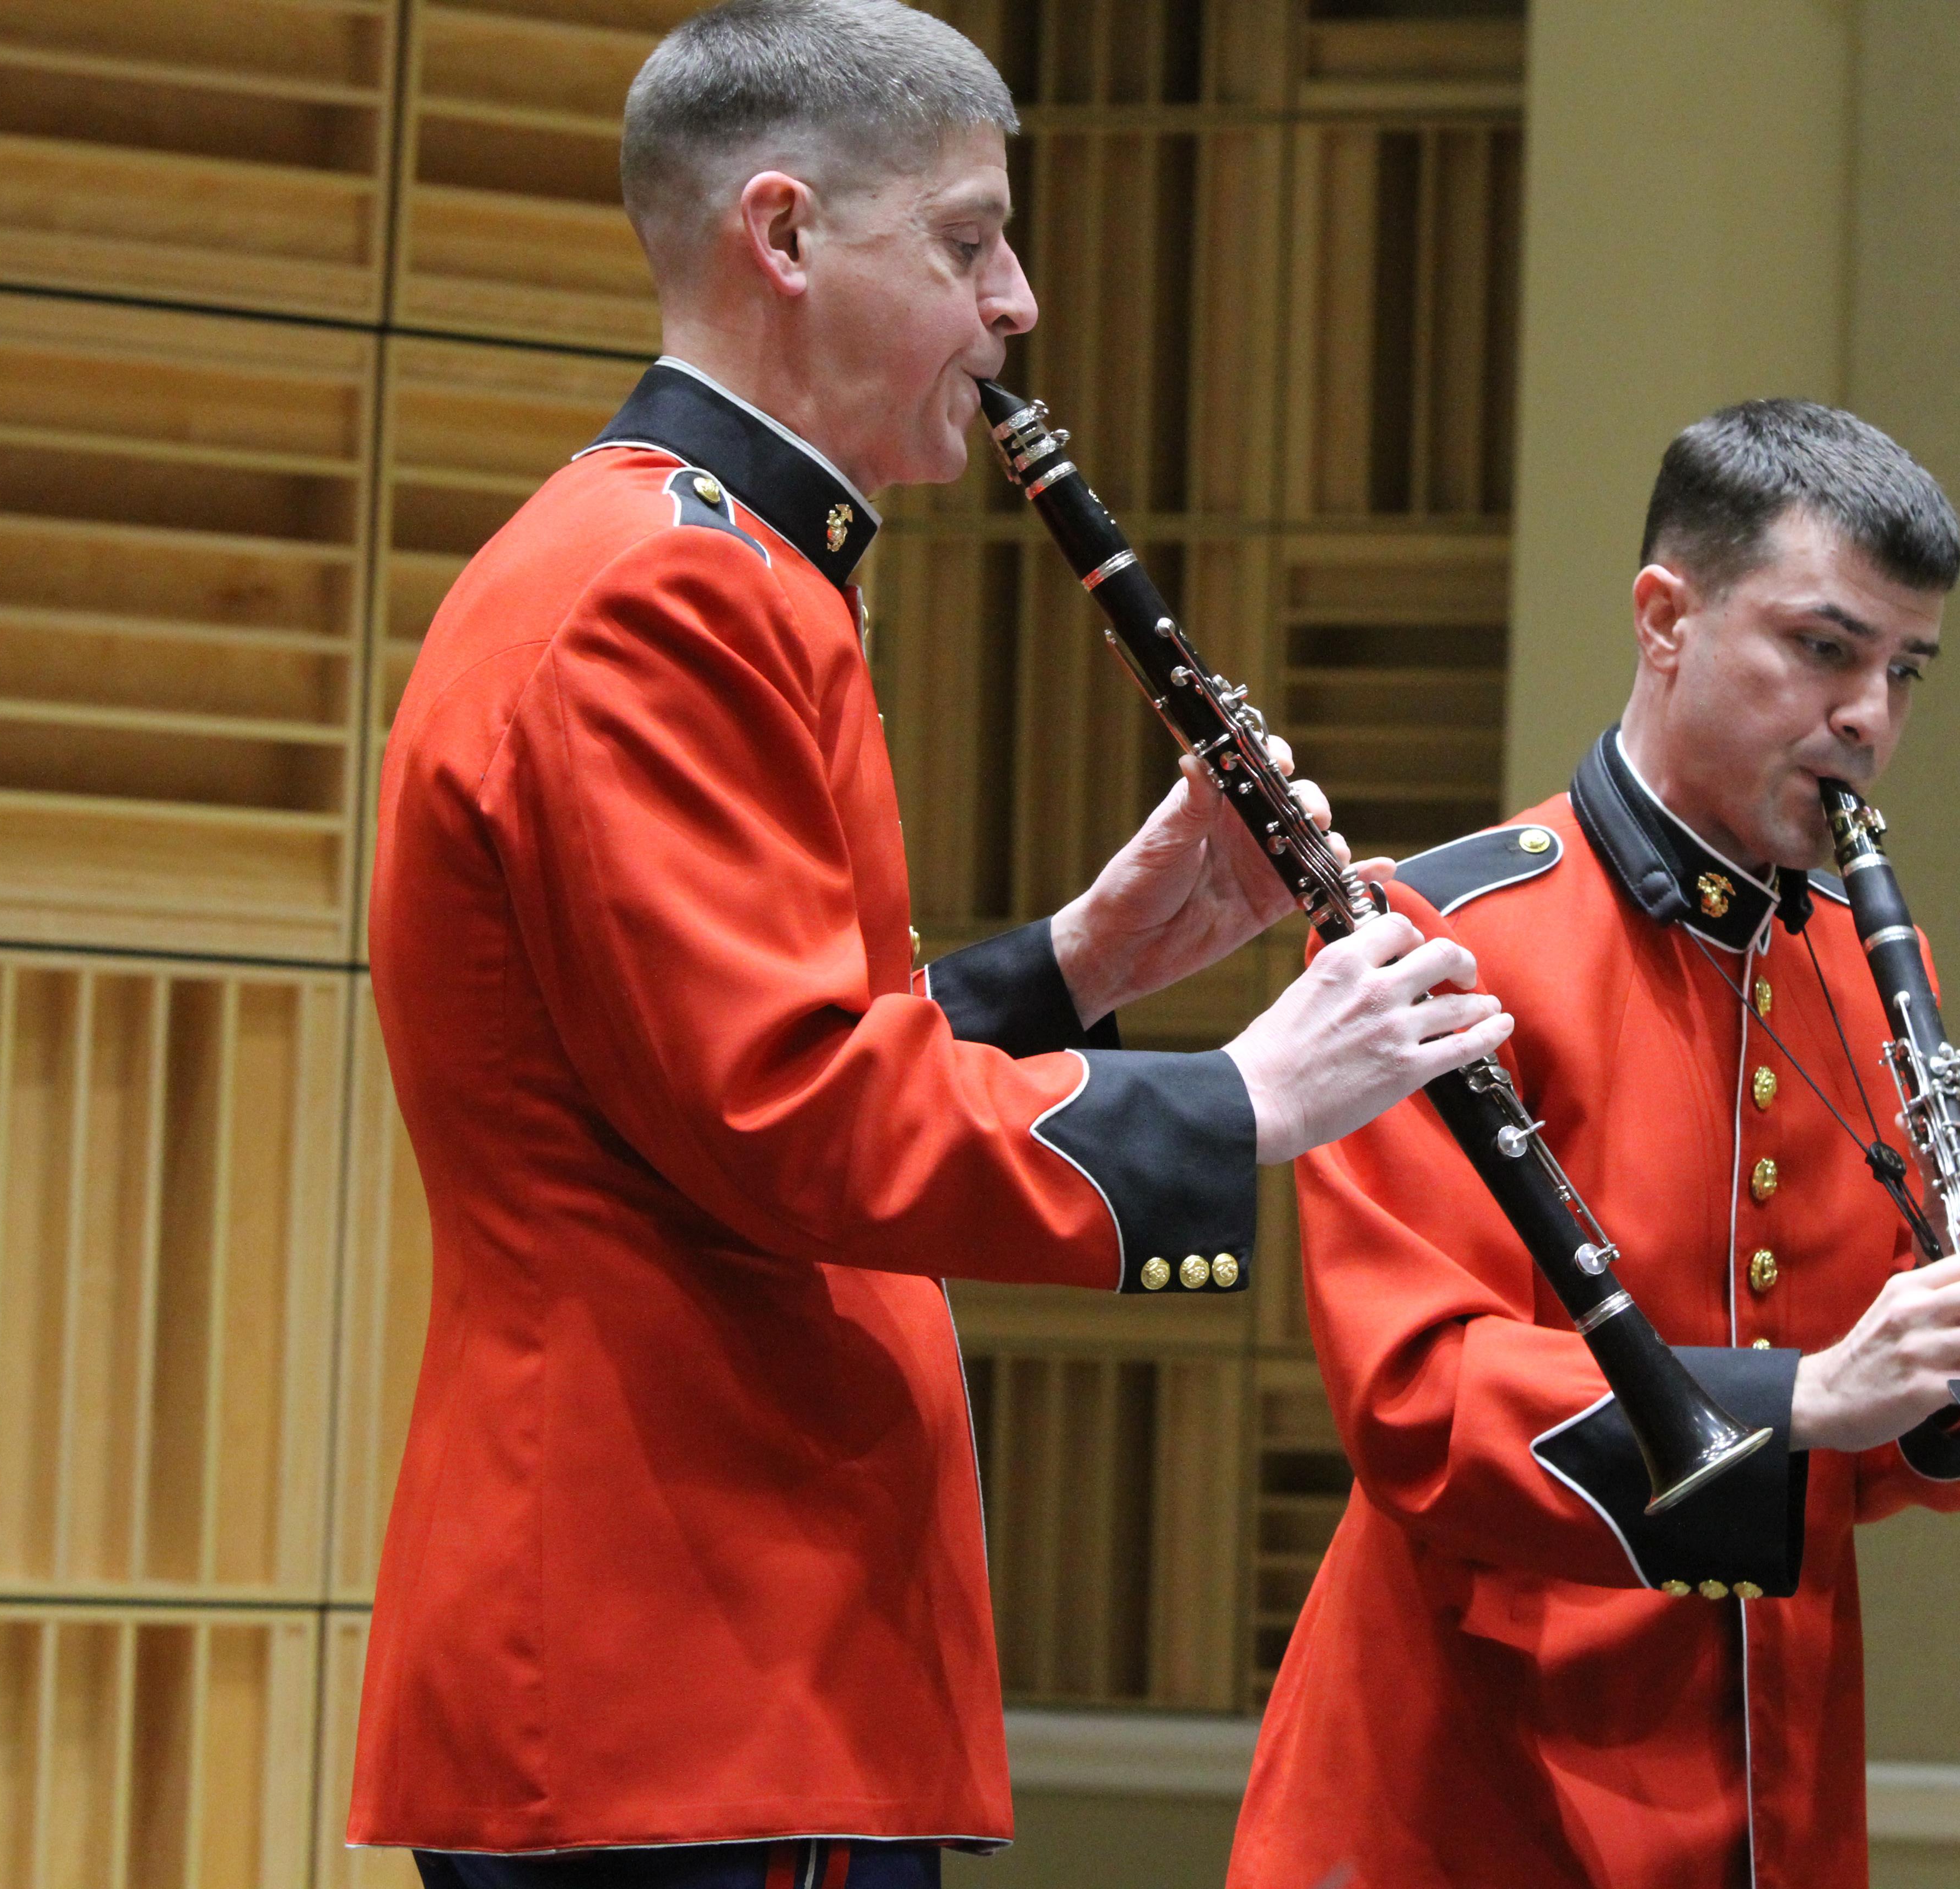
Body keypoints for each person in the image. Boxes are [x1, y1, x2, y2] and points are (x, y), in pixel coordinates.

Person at [345, 4, 1511, 1884]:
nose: (1023, 299)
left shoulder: (703, 563)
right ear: (786, 238)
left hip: (722, 1645)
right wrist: (1241, 1099)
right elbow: (788, 1114)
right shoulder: (666, 595)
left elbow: (716, 1058)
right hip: (682, 1634)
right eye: (968, 242)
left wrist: (1084, 960)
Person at [1229, 400, 1960, 1889]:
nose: (1871, 717)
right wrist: (1808, 1394)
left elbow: (1864, 1454)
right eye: (1825, 649)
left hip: (1770, 1797)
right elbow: (1419, 1403)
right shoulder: (1436, 944)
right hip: (1462, 1806)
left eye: (1903, 671)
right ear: (1664, 619)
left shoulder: (1870, 971)